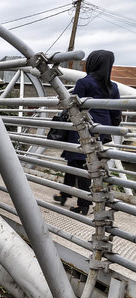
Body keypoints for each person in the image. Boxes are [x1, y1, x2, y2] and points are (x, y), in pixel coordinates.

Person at [53, 50, 122, 215]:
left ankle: (83, 205)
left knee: (81, 165)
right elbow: (116, 115)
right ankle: (65, 193)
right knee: (76, 163)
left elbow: (73, 107)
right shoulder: (113, 87)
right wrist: (107, 130)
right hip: (102, 130)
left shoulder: (84, 83)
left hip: (82, 128)